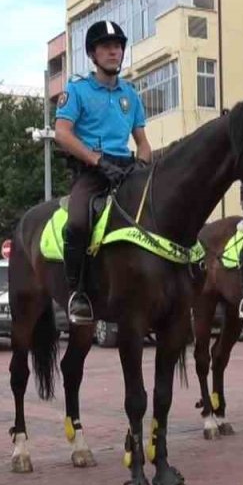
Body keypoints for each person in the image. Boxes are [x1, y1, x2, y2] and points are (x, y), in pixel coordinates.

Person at [54, 20, 151, 323]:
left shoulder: (130, 95)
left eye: (118, 46)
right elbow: (62, 133)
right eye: (106, 46)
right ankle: (77, 292)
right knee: (78, 223)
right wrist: (96, 160)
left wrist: (143, 165)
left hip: (127, 170)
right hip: (92, 171)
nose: (114, 51)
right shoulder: (77, 90)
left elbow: (143, 142)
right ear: (93, 55)